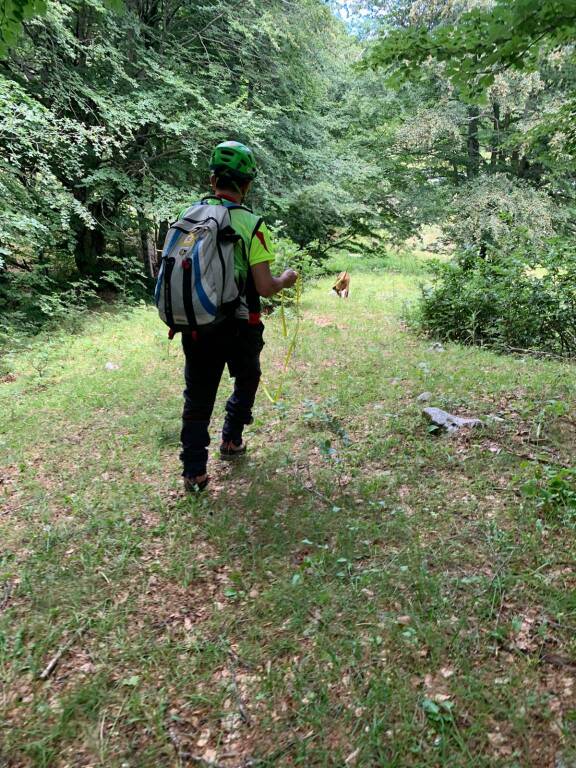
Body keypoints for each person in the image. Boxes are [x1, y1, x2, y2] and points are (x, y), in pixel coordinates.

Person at [180, 141, 298, 492]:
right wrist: (286, 279)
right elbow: (263, 286)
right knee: (248, 378)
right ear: (246, 185)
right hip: (240, 325)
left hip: (198, 323)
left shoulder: (190, 216)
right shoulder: (252, 224)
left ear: (212, 179)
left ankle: (194, 473)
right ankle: (231, 439)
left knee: (198, 396)